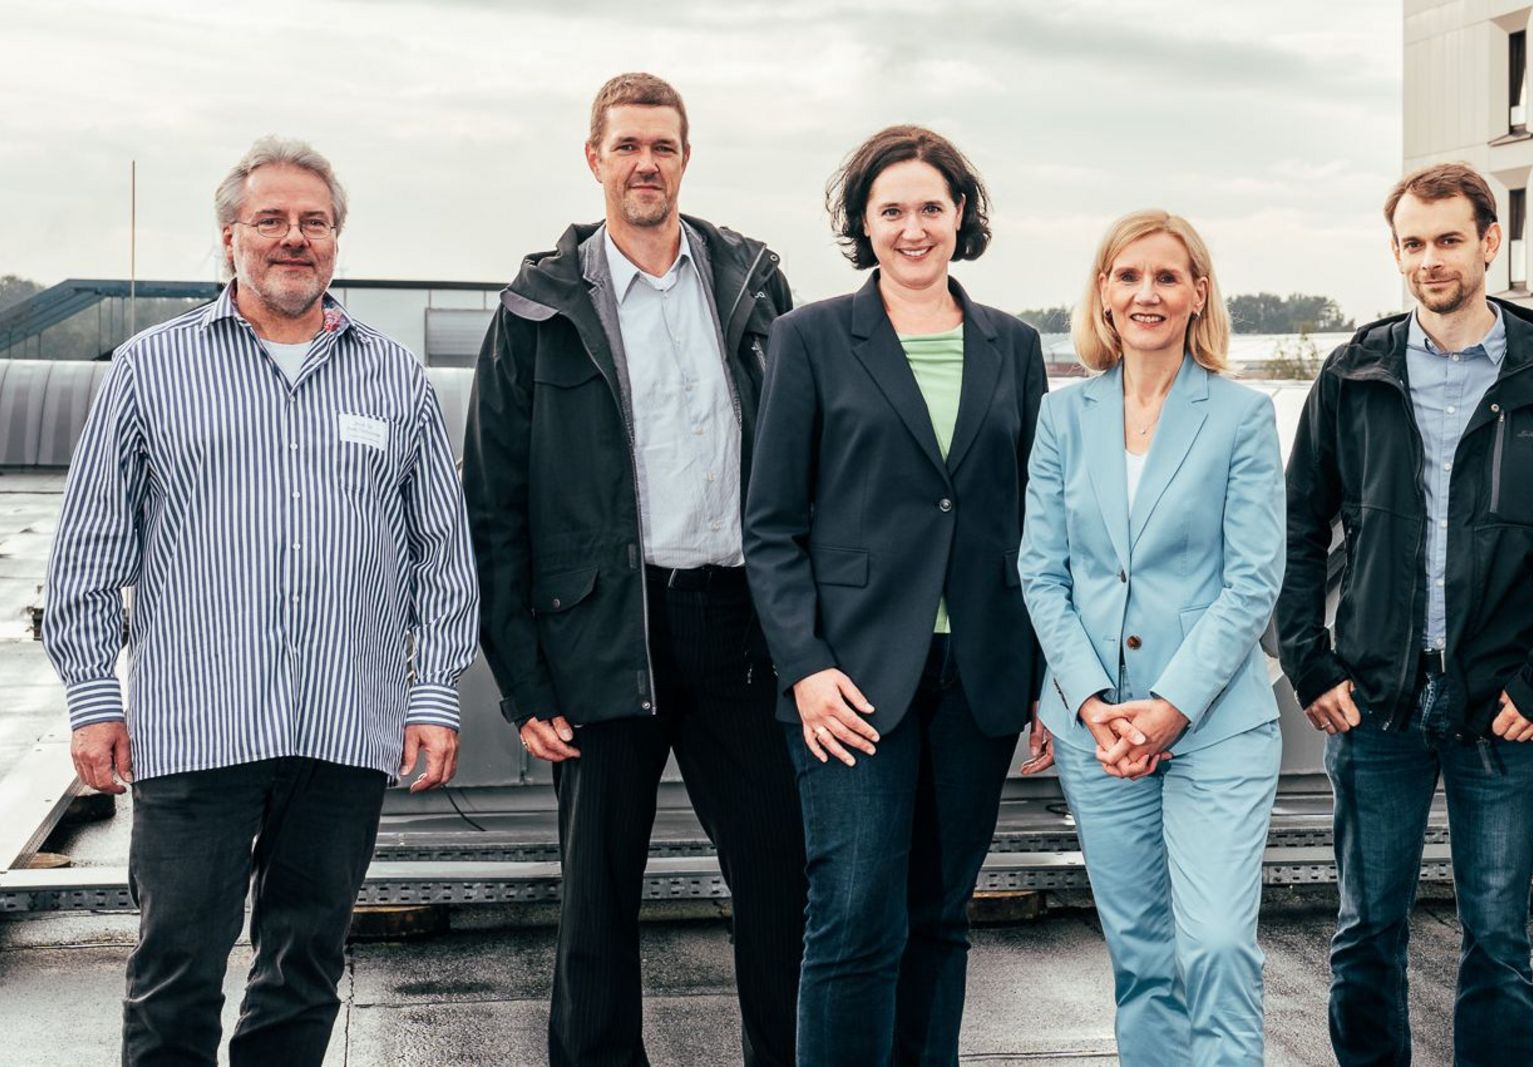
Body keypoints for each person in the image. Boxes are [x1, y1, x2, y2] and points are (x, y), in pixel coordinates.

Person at [46, 136, 476, 1067]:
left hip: (342, 729)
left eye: (313, 222)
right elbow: (86, 551)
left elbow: (443, 555)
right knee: (176, 969)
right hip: (195, 726)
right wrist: (94, 697)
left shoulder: (394, 377)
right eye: (271, 220)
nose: (294, 238)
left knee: (306, 964)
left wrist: (432, 692)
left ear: (336, 240)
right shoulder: (150, 370)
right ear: (230, 233)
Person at [464, 73, 805, 1066]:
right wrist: (523, 679)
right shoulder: (539, 308)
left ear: (685, 158)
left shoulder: (749, 281)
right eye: (627, 146)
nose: (645, 163)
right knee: (597, 897)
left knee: (782, 879)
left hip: (740, 624)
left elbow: (801, 458)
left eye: (663, 146)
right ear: (594, 159)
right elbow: (492, 503)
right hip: (605, 628)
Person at [741, 124, 1049, 1066]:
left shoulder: (1016, 345)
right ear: (861, 224)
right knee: (854, 913)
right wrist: (806, 667)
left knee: (940, 915)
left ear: (962, 216)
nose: (913, 228)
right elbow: (771, 526)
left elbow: (1039, 521)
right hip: (854, 677)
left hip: (982, 672)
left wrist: (1044, 680)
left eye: (930, 207)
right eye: (891, 211)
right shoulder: (810, 340)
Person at [1277, 161, 1533, 1067]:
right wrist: (1309, 660)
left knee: (1498, 940)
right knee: (1366, 931)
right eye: (1412, 243)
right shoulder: (1354, 372)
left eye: (1449, 239)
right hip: (1375, 700)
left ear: (1491, 243)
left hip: (1506, 705)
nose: (1430, 260)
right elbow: (1299, 529)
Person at [1017, 210, 1285, 1066]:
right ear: (1102, 292)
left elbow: (1252, 581)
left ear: (1198, 294)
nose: (1147, 293)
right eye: (1128, 275)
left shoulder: (1241, 415)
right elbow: (1042, 572)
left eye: (1167, 277)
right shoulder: (1064, 417)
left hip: (1214, 727)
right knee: (1141, 959)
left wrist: (1168, 707)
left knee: (1214, 947)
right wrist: (1093, 704)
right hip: (1095, 733)